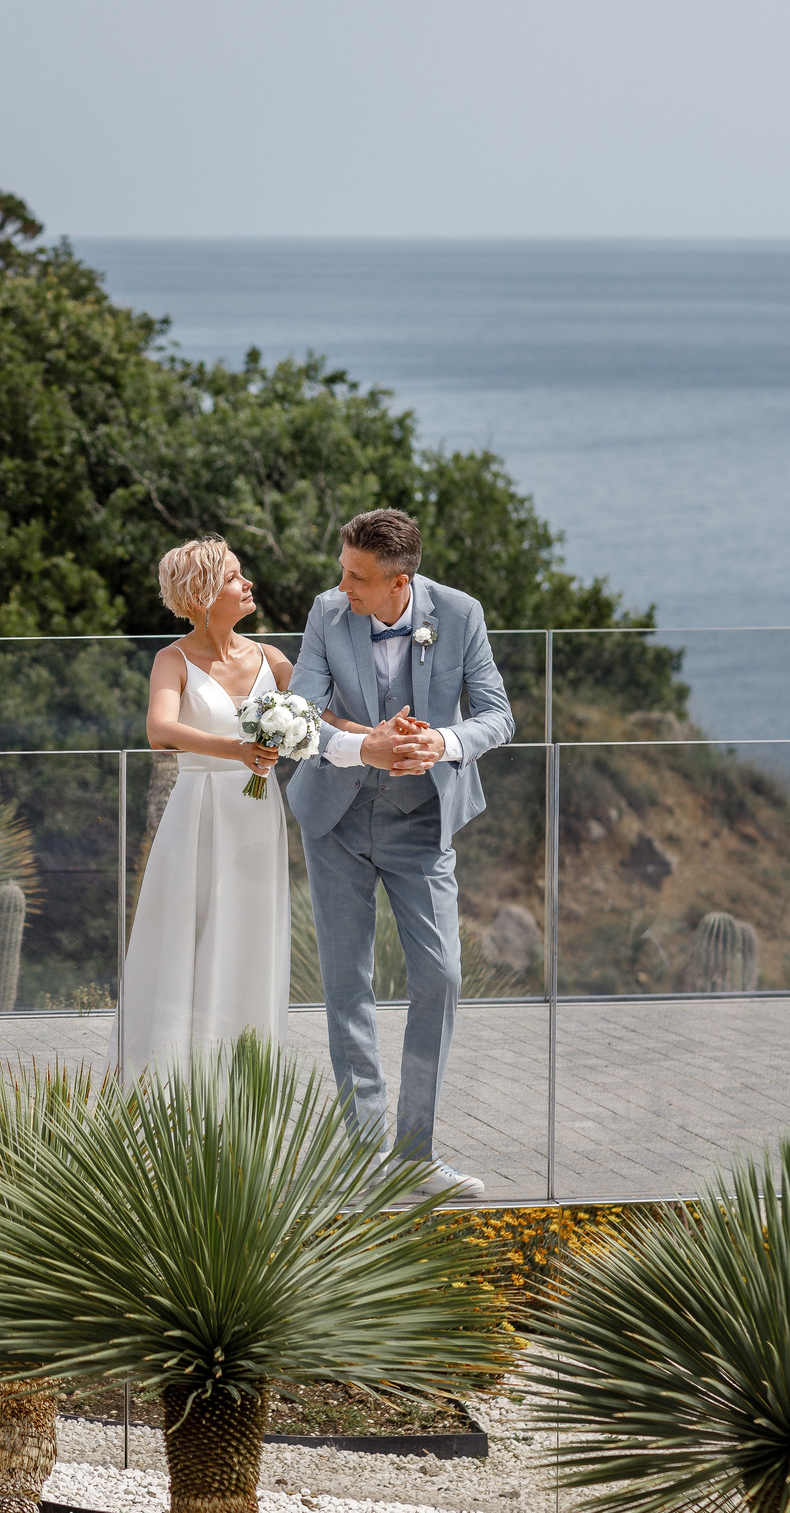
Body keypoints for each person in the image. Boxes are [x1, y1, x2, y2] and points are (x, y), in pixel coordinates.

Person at [284, 508, 513, 1198]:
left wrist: (438, 743)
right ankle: (360, 1160)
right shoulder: (328, 612)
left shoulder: (461, 614)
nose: (341, 585)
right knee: (348, 987)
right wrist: (367, 746)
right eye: (343, 568)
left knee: (440, 976)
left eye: (357, 576)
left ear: (400, 579)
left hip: (422, 824)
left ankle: (414, 1155)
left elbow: (498, 714)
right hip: (338, 821)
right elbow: (301, 713)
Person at [113, 537, 295, 1075]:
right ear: (202, 592)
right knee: (188, 935)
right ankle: (175, 1076)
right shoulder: (172, 660)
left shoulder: (273, 659)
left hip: (257, 818)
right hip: (196, 815)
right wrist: (237, 750)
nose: (248, 585)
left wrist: (375, 734)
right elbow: (159, 729)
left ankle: (243, 1079)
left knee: (249, 935)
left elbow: (321, 716)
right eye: (236, 577)